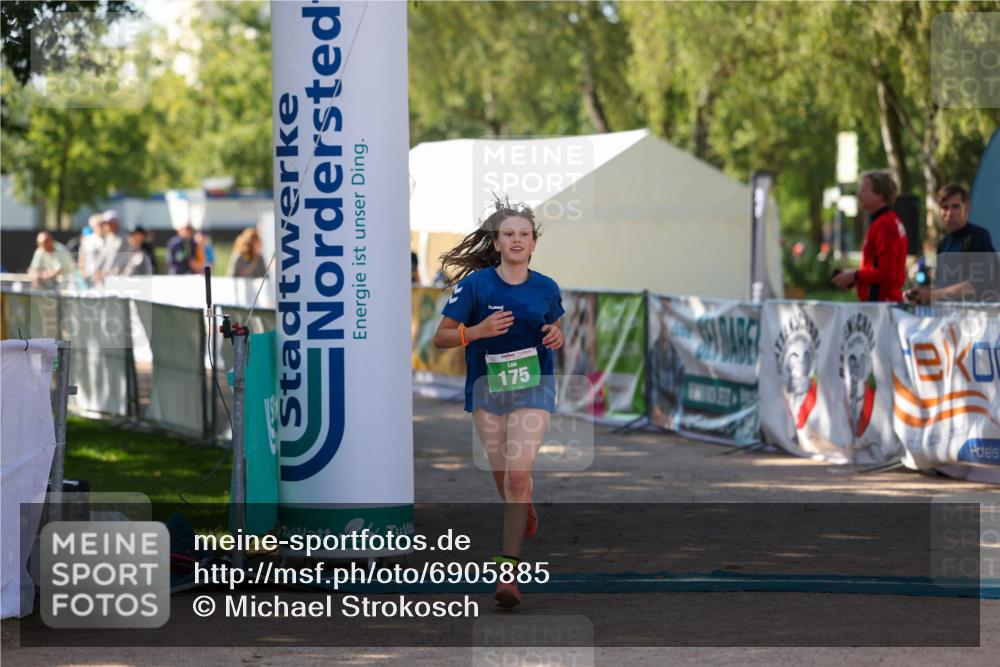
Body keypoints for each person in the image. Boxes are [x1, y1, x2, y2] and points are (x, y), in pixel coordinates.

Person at [432, 198, 564, 610]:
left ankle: (508, 574)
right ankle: (522, 504)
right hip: (488, 388)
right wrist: (478, 331)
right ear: (497, 241)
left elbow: (554, 325)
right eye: (509, 234)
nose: (517, 240)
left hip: (533, 385)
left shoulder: (547, 286)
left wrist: (556, 336)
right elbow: (441, 338)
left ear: (533, 243)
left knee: (518, 474)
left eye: (524, 234)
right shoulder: (475, 287)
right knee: (503, 476)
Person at [906, 184, 998, 304]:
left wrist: (932, 295)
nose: (949, 213)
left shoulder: (978, 237)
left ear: (966, 207)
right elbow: (940, 285)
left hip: (977, 317)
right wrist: (921, 294)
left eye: (955, 206)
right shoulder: (943, 244)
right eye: (945, 207)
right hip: (949, 317)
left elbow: (980, 283)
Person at [831, 171, 908, 302]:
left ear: (879, 194)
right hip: (883, 302)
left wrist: (854, 276)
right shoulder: (888, 221)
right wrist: (853, 278)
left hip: (881, 305)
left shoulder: (884, 224)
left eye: (864, 190)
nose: (859, 195)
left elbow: (886, 274)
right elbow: (879, 269)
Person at [77, 213, 105, 283]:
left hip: (104, 277)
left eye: (102, 224)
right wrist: (82, 273)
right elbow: (82, 258)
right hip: (89, 277)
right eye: (98, 225)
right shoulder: (87, 240)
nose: (100, 227)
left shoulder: (109, 240)